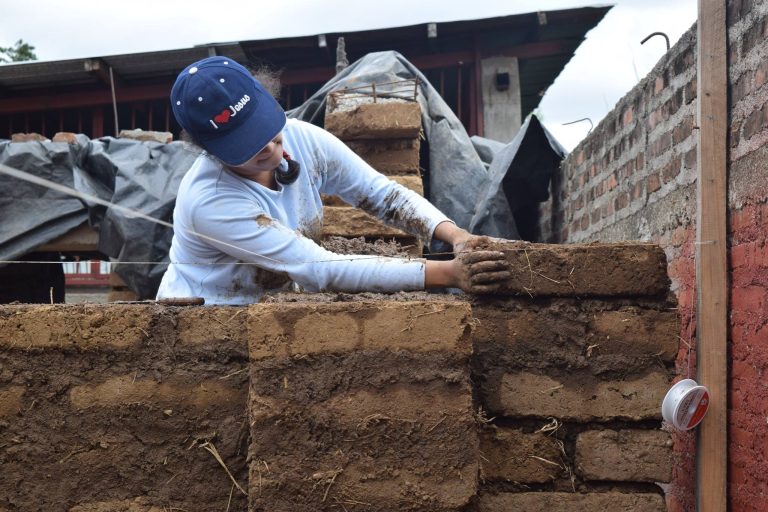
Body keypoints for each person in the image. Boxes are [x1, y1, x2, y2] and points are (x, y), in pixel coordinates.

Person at [156, 56, 509, 305]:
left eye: (266, 128)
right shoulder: (211, 201)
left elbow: (380, 194)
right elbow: (318, 268)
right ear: (213, 150)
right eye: (247, 142)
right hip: (208, 316)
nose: (268, 145)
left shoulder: (303, 138)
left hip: (269, 306)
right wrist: (447, 274)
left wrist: (455, 236)